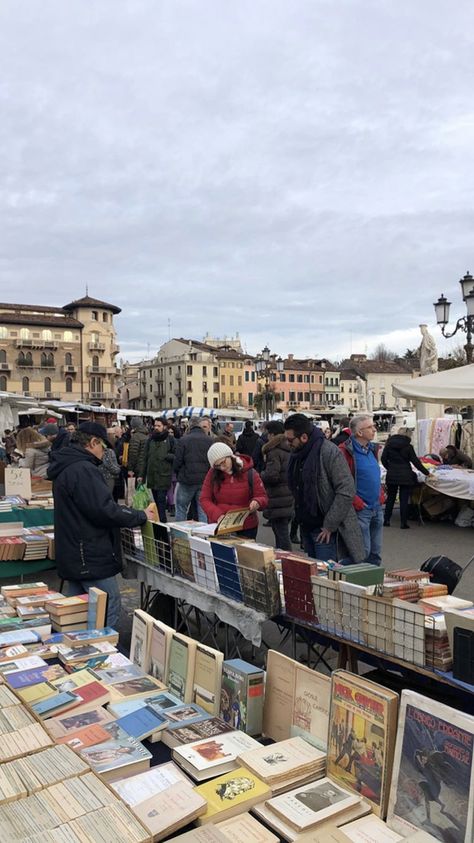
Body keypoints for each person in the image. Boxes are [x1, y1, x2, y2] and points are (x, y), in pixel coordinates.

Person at [47, 422, 155, 629]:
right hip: (89, 553)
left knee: (73, 612)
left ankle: (77, 652)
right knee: (107, 605)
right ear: (93, 442)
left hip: (74, 551)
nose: (103, 452)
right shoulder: (83, 469)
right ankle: (103, 652)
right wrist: (139, 515)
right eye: (102, 447)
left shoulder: (67, 466)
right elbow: (104, 510)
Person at [284, 414, 365, 563]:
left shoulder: (329, 452)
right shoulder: (296, 455)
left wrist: (329, 525)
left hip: (325, 529)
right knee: (313, 575)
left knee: (326, 577)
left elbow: (346, 490)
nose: (288, 444)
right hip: (306, 525)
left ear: (303, 437)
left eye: (290, 440)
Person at [339, 415, 385, 566]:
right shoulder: (345, 451)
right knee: (361, 552)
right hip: (361, 509)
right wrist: (356, 501)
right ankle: (343, 572)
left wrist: (380, 495)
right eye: (370, 427)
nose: (374, 429)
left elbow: (374, 474)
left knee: (375, 552)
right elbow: (341, 481)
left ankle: (374, 583)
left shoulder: (371, 449)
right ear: (359, 432)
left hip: (376, 507)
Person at [200, 442, 268, 539]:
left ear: (230, 456)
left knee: (245, 554)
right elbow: (204, 499)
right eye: (217, 466)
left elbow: (263, 497)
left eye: (223, 462)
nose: (222, 468)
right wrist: (217, 515)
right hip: (221, 526)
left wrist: (257, 501)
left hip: (246, 526)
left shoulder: (250, 473)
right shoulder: (212, 474)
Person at [382, 428, 430, 528]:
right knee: (404, 499)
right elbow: (416, 462)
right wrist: (427, 473)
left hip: (391, 474)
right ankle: (403, 523)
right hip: (406, 474)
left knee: (391, 497)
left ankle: (386, 520)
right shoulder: (408, 447)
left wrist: (390, 467)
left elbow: (383, 459)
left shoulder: (389, 445)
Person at [260, 420, 293, 550]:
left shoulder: (273, 451)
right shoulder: (288, 447)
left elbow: (272, 475)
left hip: (277, 496)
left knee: (281, 534)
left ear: (272, 435)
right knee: (282, 531)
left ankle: (287, 561)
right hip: (287, 494)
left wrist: (260, 475)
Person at [173, 418, 212, 522]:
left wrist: (179, 474)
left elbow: (177, 462)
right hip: (204, 480)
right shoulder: (209, 440)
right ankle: (203, 536)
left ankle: (180, 535)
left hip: (187, 480)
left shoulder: (184, 440)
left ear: (189, 426)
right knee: (202, 510)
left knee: (181, 509)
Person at [137, 417, 175, 522]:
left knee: (161, 500)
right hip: (152, 475)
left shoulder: (170, 439)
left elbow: (176, 455)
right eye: (155, 425)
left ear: (164, 426)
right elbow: (144, 458)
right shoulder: (150, 439)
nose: (156, 427)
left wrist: (167, 456)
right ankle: (157, 522)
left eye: (159, 425)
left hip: (164, 475)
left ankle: (162, 522)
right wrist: (141, 475)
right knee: (156, 502)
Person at [98, 428, 122, 495]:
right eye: (112, 434)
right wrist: (118, 469)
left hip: (108, 476)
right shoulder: (107, 450)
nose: (113, 435)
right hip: (108, 476)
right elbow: (109, 464)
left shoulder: (117, 443)